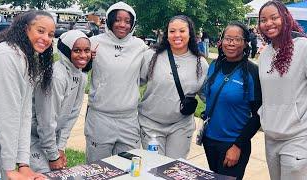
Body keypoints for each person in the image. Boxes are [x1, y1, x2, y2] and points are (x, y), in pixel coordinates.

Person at [0, 10, 55, 179]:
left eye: (51, 34)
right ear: (25, 29)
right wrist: (11, 168)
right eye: (40, 31)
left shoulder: (25, 56)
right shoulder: (7, 56)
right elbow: (7, 115)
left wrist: (23, 164)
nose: (46, 38)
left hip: (0, 143)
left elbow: (24, 114)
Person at [85, 1, 148, 163]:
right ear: (110, 20)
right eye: (118, 20)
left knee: (128, 168)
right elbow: (80, 67)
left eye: (128, 21)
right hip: (100, 118)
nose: (123, 25)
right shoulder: (94, 43)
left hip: (129, 120)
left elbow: (144, 77)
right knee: (97, 170)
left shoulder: (139, 46)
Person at [139, 15, 208, 159]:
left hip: (181, 127)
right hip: (150, 124)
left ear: (190, 33)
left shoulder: (200, 63)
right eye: (172, 31)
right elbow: (134, 83)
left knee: (174, 170)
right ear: (167, 34)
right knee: (154, 169)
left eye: (182, 31)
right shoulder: (151, 56)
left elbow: (207, 95)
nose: (177, 35)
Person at [202, 21, 262, 180]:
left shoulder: (252, 71)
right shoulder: (214, 65)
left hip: (233, 144)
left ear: (245, 43)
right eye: (228, 38)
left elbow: (259, 115)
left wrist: (237, 146)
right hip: (210, 140)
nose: (231, 43)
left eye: (237, 39)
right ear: (221, 41)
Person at [30, 30, 92, 173]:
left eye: (86, 50)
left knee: (57, 173)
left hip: (50, 137)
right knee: (45, 174)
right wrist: (53, 156)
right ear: (65, 51)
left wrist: (60, 147)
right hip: (32, 137)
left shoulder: (81, 76)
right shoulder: (57, 76)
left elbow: (72, 115)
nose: (83, 55)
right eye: (76, 50)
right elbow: (46, 121)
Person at [258, 1, 307, 179]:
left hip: (297, 137)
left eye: (274, 18)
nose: (268, 23)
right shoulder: (265, 53)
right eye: (263, 20)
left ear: (285, 18)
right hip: (271, 136)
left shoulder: (303, 47)